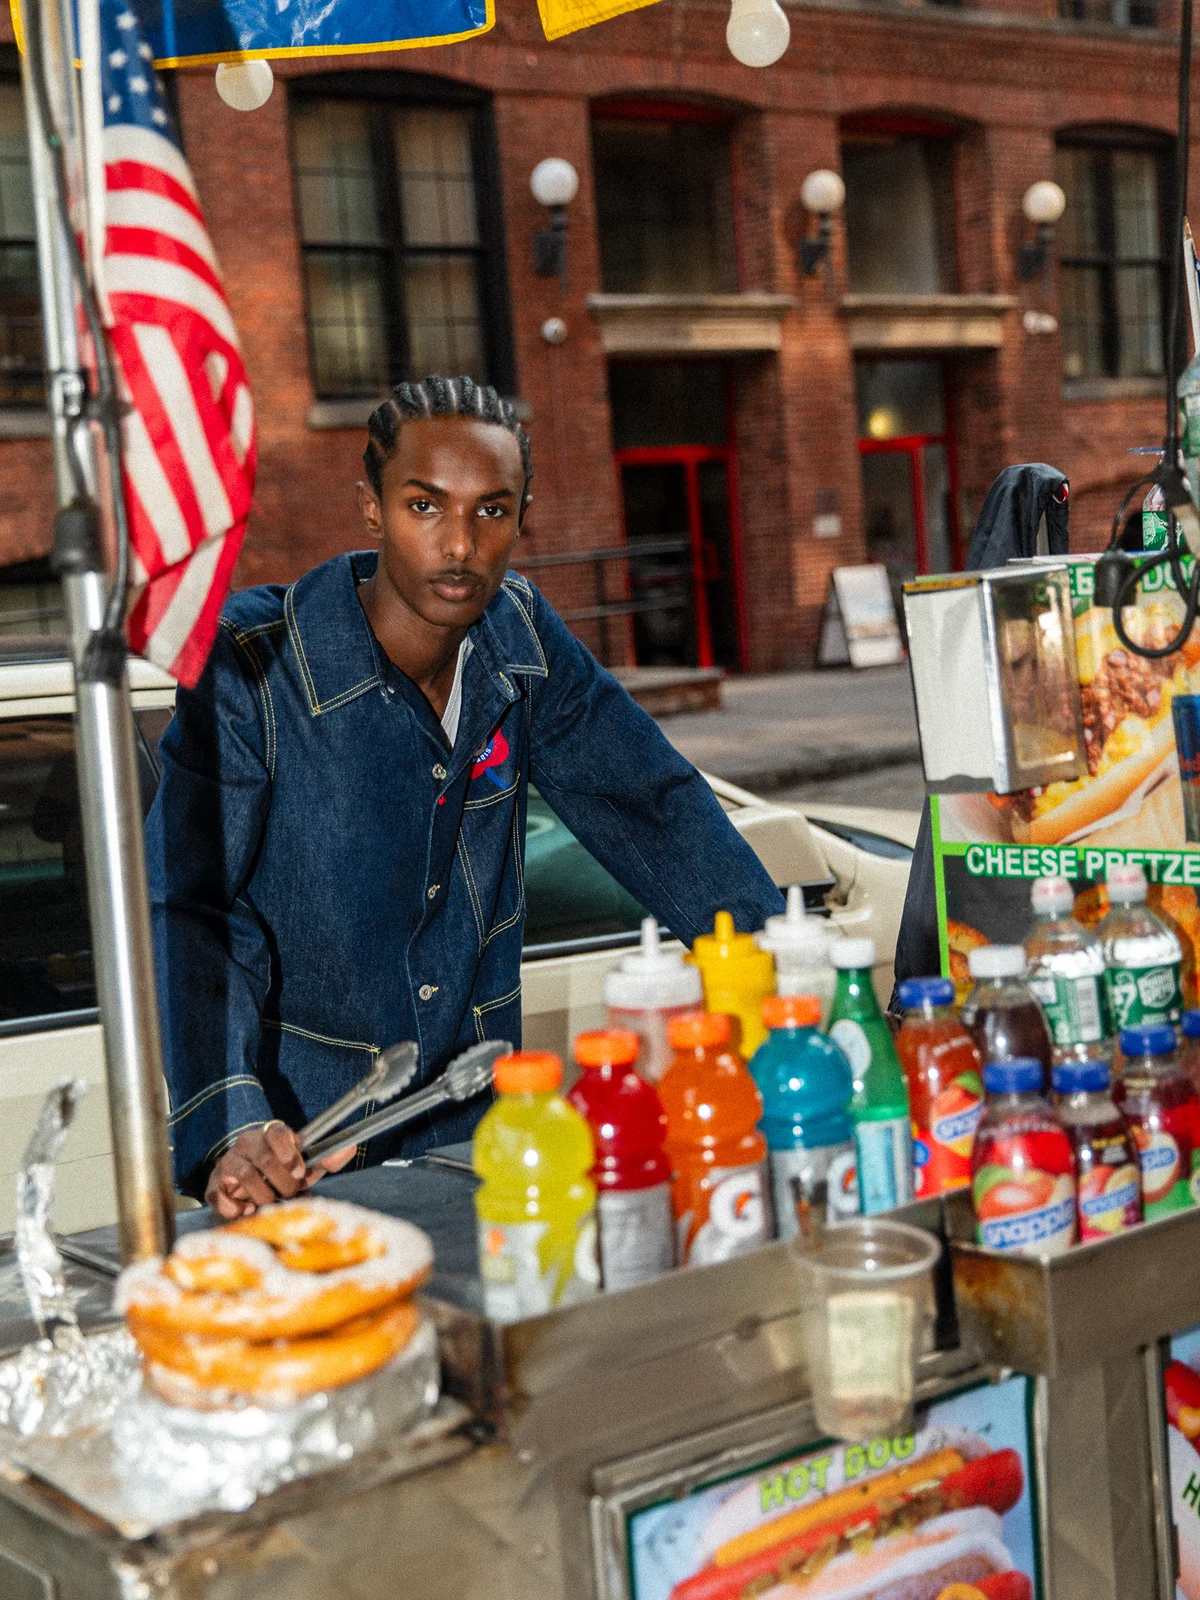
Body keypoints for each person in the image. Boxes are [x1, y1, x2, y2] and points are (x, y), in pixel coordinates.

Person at [146, 375, 784, 1218]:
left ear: (522, 517)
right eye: (425, 506)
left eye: (491, 510)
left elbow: (656, 807)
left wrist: (785, 970)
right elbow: (189, 905)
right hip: (300, 1156)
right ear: (371, 508)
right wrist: (233, 1118)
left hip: (473, 1143)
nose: (460, 544)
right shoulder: (253, 666)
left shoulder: (518, 637)